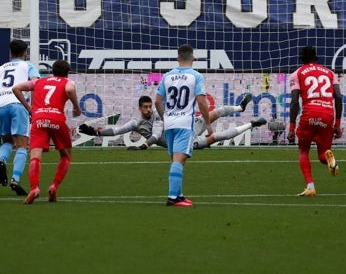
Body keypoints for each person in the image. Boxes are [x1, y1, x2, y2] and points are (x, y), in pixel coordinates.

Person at [77, 94, 264, 149]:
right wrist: (97, 132)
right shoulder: (136, 123)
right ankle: (252, 125)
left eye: (151, 106)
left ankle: (240, 107)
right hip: (182, 143)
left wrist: (143, 146)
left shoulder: (159, 115)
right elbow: (118, 130)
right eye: (146, 108)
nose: (149, 110)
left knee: (215, 113)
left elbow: (157, 133)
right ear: (140, 109)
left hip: (186, 128)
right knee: (216, 137)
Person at [12, 59, 82, 204]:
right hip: (57, 119)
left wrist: (29, 107)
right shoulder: (66, 82)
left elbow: (16, 88)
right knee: (66, 156)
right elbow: (69, 90)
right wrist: (76, 106)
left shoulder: (38, 82)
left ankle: (34, 188)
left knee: (35, 155)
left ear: (52, 71)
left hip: (38, 120)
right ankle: (54, 186)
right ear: (67, 73)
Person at [154, 45, 213, 206]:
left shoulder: (167, 76)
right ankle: (172, 198)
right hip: (185, 124)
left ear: (177, 58)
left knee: (176, 158)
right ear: (193, 58)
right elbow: (201, 101)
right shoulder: (196, 76)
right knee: (179, 160)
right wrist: (208, 124)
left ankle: (179, 195)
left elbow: (157, 101)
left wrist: (165, 117)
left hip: (170, 123)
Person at [287, 46, 343, 197]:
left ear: (301, 58)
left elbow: (294, 102)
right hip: (327, 115)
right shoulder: (330, 73)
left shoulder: (296, 74)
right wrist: (337, 124)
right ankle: (330, 159)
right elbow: (338, 97)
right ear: (316, 57)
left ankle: (310, 187)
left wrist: (291, 128)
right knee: (322, 155)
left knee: (303, 150)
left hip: (309, 115)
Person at [0, 39, 40, 196]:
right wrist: (32, 108)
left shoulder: (2, 67)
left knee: (7, 140)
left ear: (10, 53)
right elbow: (35, 84)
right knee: (22, 144)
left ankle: (2, 160)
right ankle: (15, 179)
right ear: (26, 53)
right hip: (18, 104)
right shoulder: (27, 65)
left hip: (1, 104)